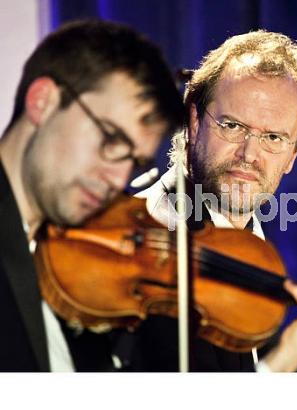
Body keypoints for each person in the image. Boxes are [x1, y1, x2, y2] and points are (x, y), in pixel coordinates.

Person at [142, 30, 297, 372]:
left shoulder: (258, 259)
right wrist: (284, 362)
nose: (249, 155)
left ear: (293, 155)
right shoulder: (149, 241)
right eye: (232, 126)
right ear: (194, 122)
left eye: (272, 137)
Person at [0, 19, 184, 371]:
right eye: (111, 139)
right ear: (43, 101)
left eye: (134, 161)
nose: (117, 179)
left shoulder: (78, 277)